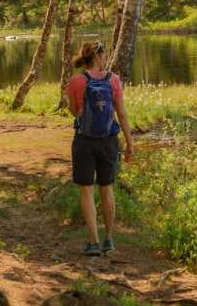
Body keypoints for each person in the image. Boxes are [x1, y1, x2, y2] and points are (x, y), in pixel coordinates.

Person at [65, 41, 134, 257]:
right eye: (104, 55)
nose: (105, 58)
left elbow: (73, 110)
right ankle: (109, 240)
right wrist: (130, 143)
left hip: (84, 141)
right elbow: (122, 114)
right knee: (107, 188)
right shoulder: (113, 80)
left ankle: (94, 242)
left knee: (86, 190)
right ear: (98, 56)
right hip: (108, 141)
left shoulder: (76, 81)